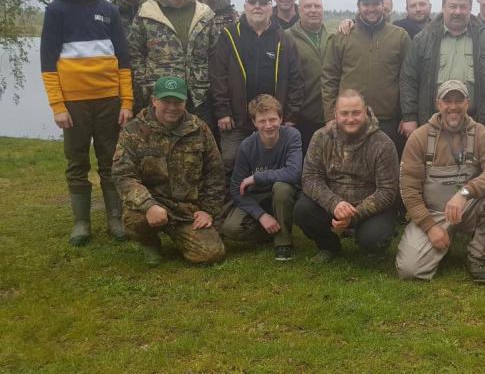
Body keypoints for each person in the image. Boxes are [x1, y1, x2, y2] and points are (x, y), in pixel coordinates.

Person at [40, 0, 133, 246]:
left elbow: (124, 59)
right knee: (77, 161)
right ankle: (81, 222)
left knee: (110, 160)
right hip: (74, 102)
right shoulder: (56, 10)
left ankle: (115, 217)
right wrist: (57, 105)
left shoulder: (109, 10)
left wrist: (127, 102)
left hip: (109, 100)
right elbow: (47, 62)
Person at [396, 80, 485, 284]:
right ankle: (441, 242)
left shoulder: (482, 134)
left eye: (458, 100)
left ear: (467, 103)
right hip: (434, 214)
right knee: (410, 271)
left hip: (469, 209)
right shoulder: (419, 137)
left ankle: (478, 256)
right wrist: (429, 226)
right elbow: (408, 190)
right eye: (447, 100)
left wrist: (465, 193)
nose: (453, 106)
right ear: (438, 104)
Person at [113, 76, 226, 266]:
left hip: (187, 209)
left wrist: (207, 211)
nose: (172, 107)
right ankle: (150, 243)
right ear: (154, 100)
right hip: (152, 204)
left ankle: (181, 235)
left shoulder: (199, 129)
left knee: (211, 254)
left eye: (178, 102)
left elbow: (215, 173)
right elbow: (123, 175)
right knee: (134, 219)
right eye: (166, 101)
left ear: (185, 102)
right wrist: (148, 205)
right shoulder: (133, 131)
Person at [294, 89, 399, 262]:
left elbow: (387, 191)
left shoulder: (383, 143)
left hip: (369, 208)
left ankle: (372, 246)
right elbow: (310, 177)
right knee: (302, 210)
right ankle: (329, 247)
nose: (350, 119)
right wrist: (334, 204)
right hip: (333, 205)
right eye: (344, 113)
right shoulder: (321, 137)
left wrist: (353, 215)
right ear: (335, 114)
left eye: (356, 113)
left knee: (373, 238)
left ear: (365, 111)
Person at [209, 0, 304, 175]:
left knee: (274, 165)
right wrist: (222, 111)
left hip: (273, 121)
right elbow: (217, 74)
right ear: (245, 5)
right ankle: (233, 202)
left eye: (263, 3)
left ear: (271, 7)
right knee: (231, 161)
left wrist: (291, 117)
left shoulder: (284, 39)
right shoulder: (229, 35)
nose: (257, 7)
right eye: (253, 2)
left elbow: (296, 80)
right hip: (236, 120)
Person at [399, 0, 485, 139]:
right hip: (433, 123)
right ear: (443, 7)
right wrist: (409, 117)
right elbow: (409, 79)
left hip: (476, 124)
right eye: (453, 6)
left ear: (471, 8)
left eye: (463, 7)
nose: (458, 12)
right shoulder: (424, 39)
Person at [321, 0, 411, 154]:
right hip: (350, 119)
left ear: (382, 5)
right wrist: (330, 116)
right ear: (358, 6)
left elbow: (408, 79)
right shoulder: (342, 37)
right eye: (366, 4)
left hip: (388, 121)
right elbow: (329, 78)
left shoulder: (399, 37)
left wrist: (408, 116)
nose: (371, 9)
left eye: (375, 4)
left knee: (386, 172)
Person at [128, 0, 215, 126]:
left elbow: (215, 54)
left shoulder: (205, 14)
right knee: (159, 147)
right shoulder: (146, 13)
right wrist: (145, 87)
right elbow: (134, 54)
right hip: (162, 96)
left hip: (198, 96)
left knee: (199, 145)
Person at [220, 94, 302, 261]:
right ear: (254, 123)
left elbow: (294, 172)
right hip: (258, 196)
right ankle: (270, 231)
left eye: (272, 119)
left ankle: (283, 243)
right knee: (231, 228)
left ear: (281, 118)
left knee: (282, 187)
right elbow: (236, 189)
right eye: (262, 121)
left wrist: (256, 177)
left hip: (285, 194)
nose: (268, 125)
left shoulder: (292, 136)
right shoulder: (246, 146)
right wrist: (261, 215)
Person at [287, 0, 331, 154]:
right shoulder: (286, 38)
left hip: (330, 116)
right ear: (299, 10)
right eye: (307, 6)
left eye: (317, 6)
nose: (313, 10)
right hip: (301, 116)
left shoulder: (334, 37)